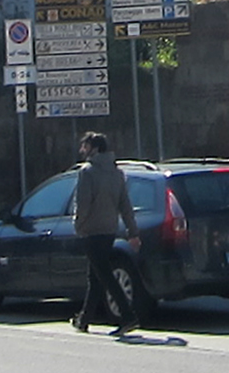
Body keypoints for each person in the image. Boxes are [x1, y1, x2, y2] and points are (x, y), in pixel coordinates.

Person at [70, 131, 142, 336]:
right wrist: (132, 231)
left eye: (85, 146)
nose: (82, 150)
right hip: (109, 230)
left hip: (91, 231)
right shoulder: (117, 173)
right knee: (95, 276)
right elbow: (125, 206)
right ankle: (83, 320)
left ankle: (128, 316)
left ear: (94, 148)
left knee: (104, 274)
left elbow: (82, 204)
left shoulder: (87, 172)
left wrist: (78, 225)